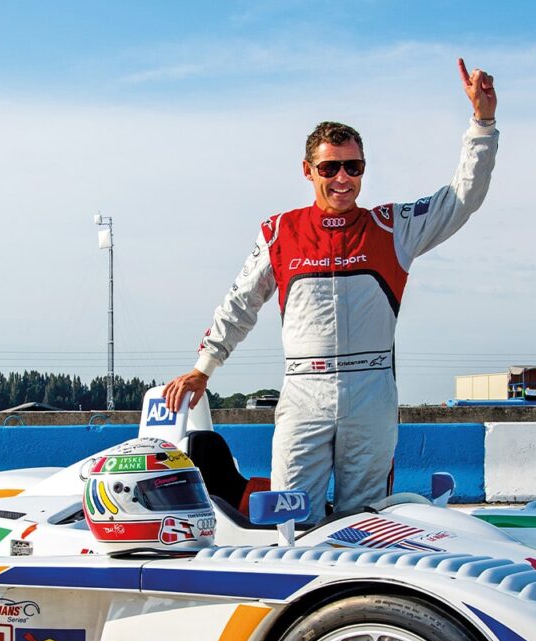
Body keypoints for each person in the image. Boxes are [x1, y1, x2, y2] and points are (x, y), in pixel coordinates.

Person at [164, 59, 498, 521]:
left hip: (371, 390)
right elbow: (240, 304)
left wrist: (482, 124)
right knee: (290, 515)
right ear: (308, 170)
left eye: (353, 166)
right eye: (331, 167)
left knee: (364, 518)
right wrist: (204, 368)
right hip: (304, 389)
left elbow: (462, 198)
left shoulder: (392, 226)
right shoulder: (279, 231)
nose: (343, 178)